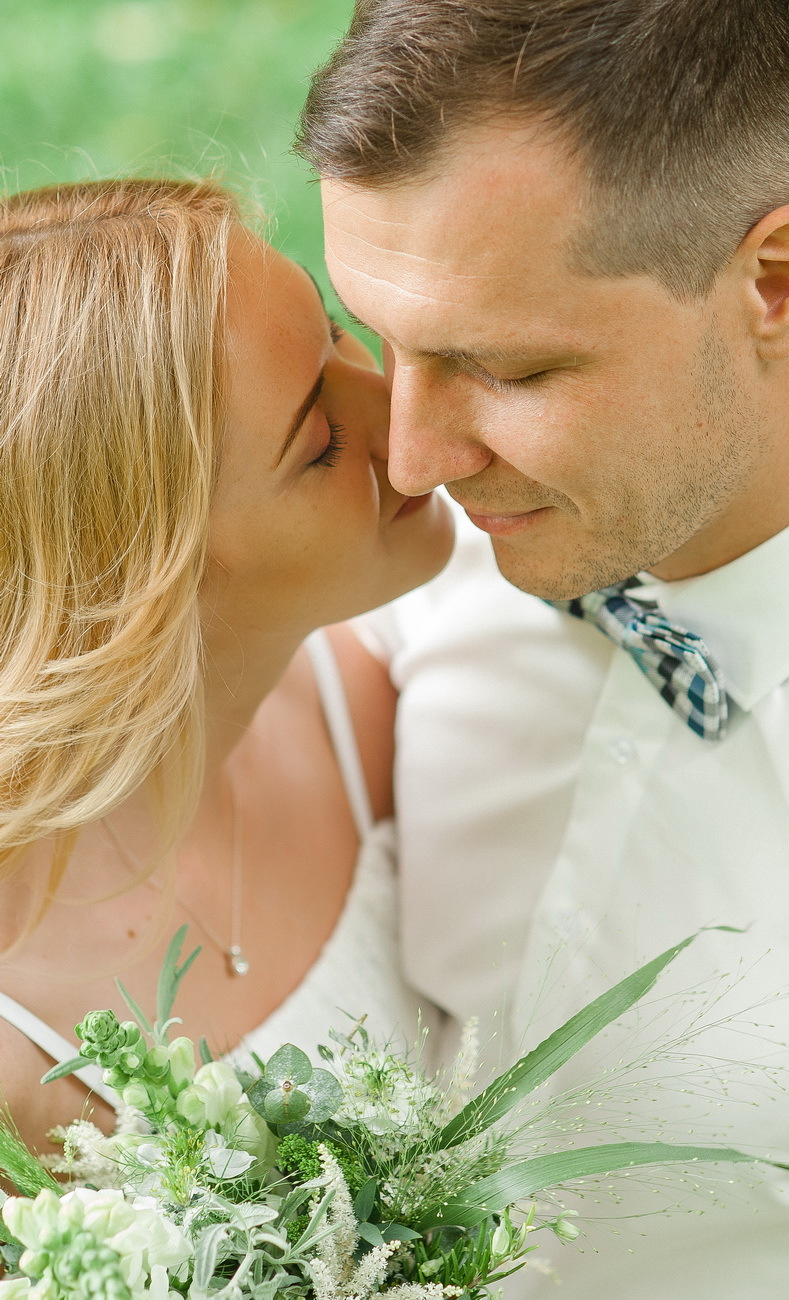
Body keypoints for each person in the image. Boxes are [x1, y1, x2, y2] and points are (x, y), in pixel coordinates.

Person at [297, 0, 789, 1295]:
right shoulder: (359, 535)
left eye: (498, 366)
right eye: (377, 335)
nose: (408, 458)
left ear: (777, 286)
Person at [0, 178, 454, 1156]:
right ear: (147, 582)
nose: (412, 419)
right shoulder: (22, 1056)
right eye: (324, 442)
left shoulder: (374, 697)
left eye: (334, 330)